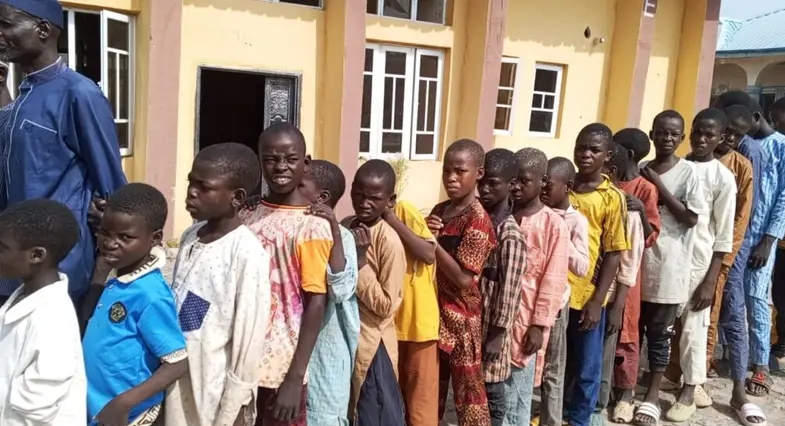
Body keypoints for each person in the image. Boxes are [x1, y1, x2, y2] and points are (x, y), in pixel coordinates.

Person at [0, 0, 127, 307]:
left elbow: (111, 185)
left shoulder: (78, 93)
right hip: (12, 261)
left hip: (56, 268)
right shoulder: (25, 95)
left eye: (5, 25)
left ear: (42, 30)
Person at [166, 143, 271, 426]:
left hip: (212, 390)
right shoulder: (190, 236)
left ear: (237, 197)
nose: (192, 192)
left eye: (204, 187)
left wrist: (235, 405)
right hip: (178, 376)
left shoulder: (247, 253)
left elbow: (249, 337)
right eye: (191, 182)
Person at [241, 123, 331, 426]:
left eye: (291, 159)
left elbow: (316, 301)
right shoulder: (247, 215)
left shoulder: (312, 224)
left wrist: (295, 377)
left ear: (305, 163)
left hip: (282, 368)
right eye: (270, 159)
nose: (281, 167)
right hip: (241, 361)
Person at [83, 183, 187, 426]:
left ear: (155, 238)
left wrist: (124, 403)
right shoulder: (117, 278)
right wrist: (100, 273)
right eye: (105, 232)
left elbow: (177, 362)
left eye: (125, 237)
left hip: (127, 416)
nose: (110, 243)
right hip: (95, 408)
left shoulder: (150, 294)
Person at [634, 110, 701, 426]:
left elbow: (690, 218)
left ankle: (652, 394)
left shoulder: (688, 173)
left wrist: (658, 185)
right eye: (661, 132)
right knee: (634, 328)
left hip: (670, 263)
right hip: (640, 260)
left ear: (682, 138)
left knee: (660, 333)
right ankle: (628, 388)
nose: (667, 138)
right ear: (652, 134)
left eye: (674, 134)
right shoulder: (641, 169)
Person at [427, 139, 496, 426]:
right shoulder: (440, 210)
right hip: (435, 313)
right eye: (446, 171)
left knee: (469, 396)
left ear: (478, 173)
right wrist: (426, 231)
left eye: (460, 171)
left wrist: (431, 243)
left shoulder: (478, 220)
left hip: (462, 319)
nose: (451, 178)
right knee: (432, 388)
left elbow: (463, 278)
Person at [565, 123, 630, 426]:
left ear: (607, 156)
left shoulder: (611, 197)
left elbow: (614, 252)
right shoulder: (563, 186)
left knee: (587, 364)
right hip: (556, 291)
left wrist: (598, 300)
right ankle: (555, 411)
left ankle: (580, 419)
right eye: (581, 147)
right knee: (558, 360)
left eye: (594, 150)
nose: (586, 154)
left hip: (587, 294)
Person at [0, 199, 85, 425]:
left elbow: (36, 406)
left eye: (2, 248)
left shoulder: (53, 319)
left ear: (36, 255)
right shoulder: (24, 296)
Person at [342, 159, 406, 426]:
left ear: (390, 201)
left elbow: (386, 305)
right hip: (347, 335)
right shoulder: (347, 225)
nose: (365, 203)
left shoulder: (388, 241)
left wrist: (361, 263)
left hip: (373, 343)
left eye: (375, 199)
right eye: (359, 195)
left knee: (375, 411)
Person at [298, 160, 360, 426]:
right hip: (291, 346)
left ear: (322, 198)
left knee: (322, 414)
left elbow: (341, 289)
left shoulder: (342, 237)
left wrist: (333, 229)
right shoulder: (291, 227)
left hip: (327, 347)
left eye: (300, 186)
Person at [513, 150, 571, 426]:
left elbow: (553, 280)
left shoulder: (553, 225)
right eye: (512, 180)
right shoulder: (503, 215)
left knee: (519, 395)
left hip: (528, 323)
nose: (516, 187)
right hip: (498, 321)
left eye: (524, 181)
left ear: (542, 181)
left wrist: (538, 325)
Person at [609, 129, 662, 423]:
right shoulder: (607, 182)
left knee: (626, 330)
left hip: (628, 270)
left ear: (627, 154)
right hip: (602, 268)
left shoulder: (644, 188)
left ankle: (626, 394)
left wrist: (641, 211)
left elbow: (651, 236)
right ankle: (606, 387)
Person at [595, 143, 647, 423]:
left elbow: (629, 261)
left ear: (611, 170)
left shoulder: (628, 210)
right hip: (586, 293)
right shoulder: (585, 199)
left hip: (611, 295)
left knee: (607, 351)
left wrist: (617, 306)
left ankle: (601, 403)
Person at [476, 148, 526, 426]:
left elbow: (510, 292)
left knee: (492, 392)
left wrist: (497, 334)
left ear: (511, 185)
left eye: (493, 184)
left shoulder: (509, 234)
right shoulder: (479, 222)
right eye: (482, 182)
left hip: (492, 331)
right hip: (474, 326)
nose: (484, 189)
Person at [705, 105, 753, 375]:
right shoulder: (697, 160)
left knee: (714, 310)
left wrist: (724, 255)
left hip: (721, 251)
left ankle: (703, 366)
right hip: (695, 245)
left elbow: (742, 216)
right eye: (728, 132)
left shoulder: (742, 167)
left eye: (738, 135)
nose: (731, 139)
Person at [385, 198, 439, 426]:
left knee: (420, 404)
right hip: (391, 324)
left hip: (419, 324)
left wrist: (390, 217)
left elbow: (428, 253)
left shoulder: (403, 211)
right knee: (395, 399)